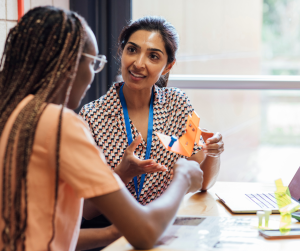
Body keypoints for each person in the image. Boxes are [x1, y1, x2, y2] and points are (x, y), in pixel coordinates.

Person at [0, 7, 203, 251]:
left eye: (153, 56)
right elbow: (145, 232)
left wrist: (115, 232)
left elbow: (50, 232)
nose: (139, 64)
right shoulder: (64, 122)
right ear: (69, 65)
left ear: (167, 66)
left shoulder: (14, 113)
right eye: (93, 63)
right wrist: (183, 176)